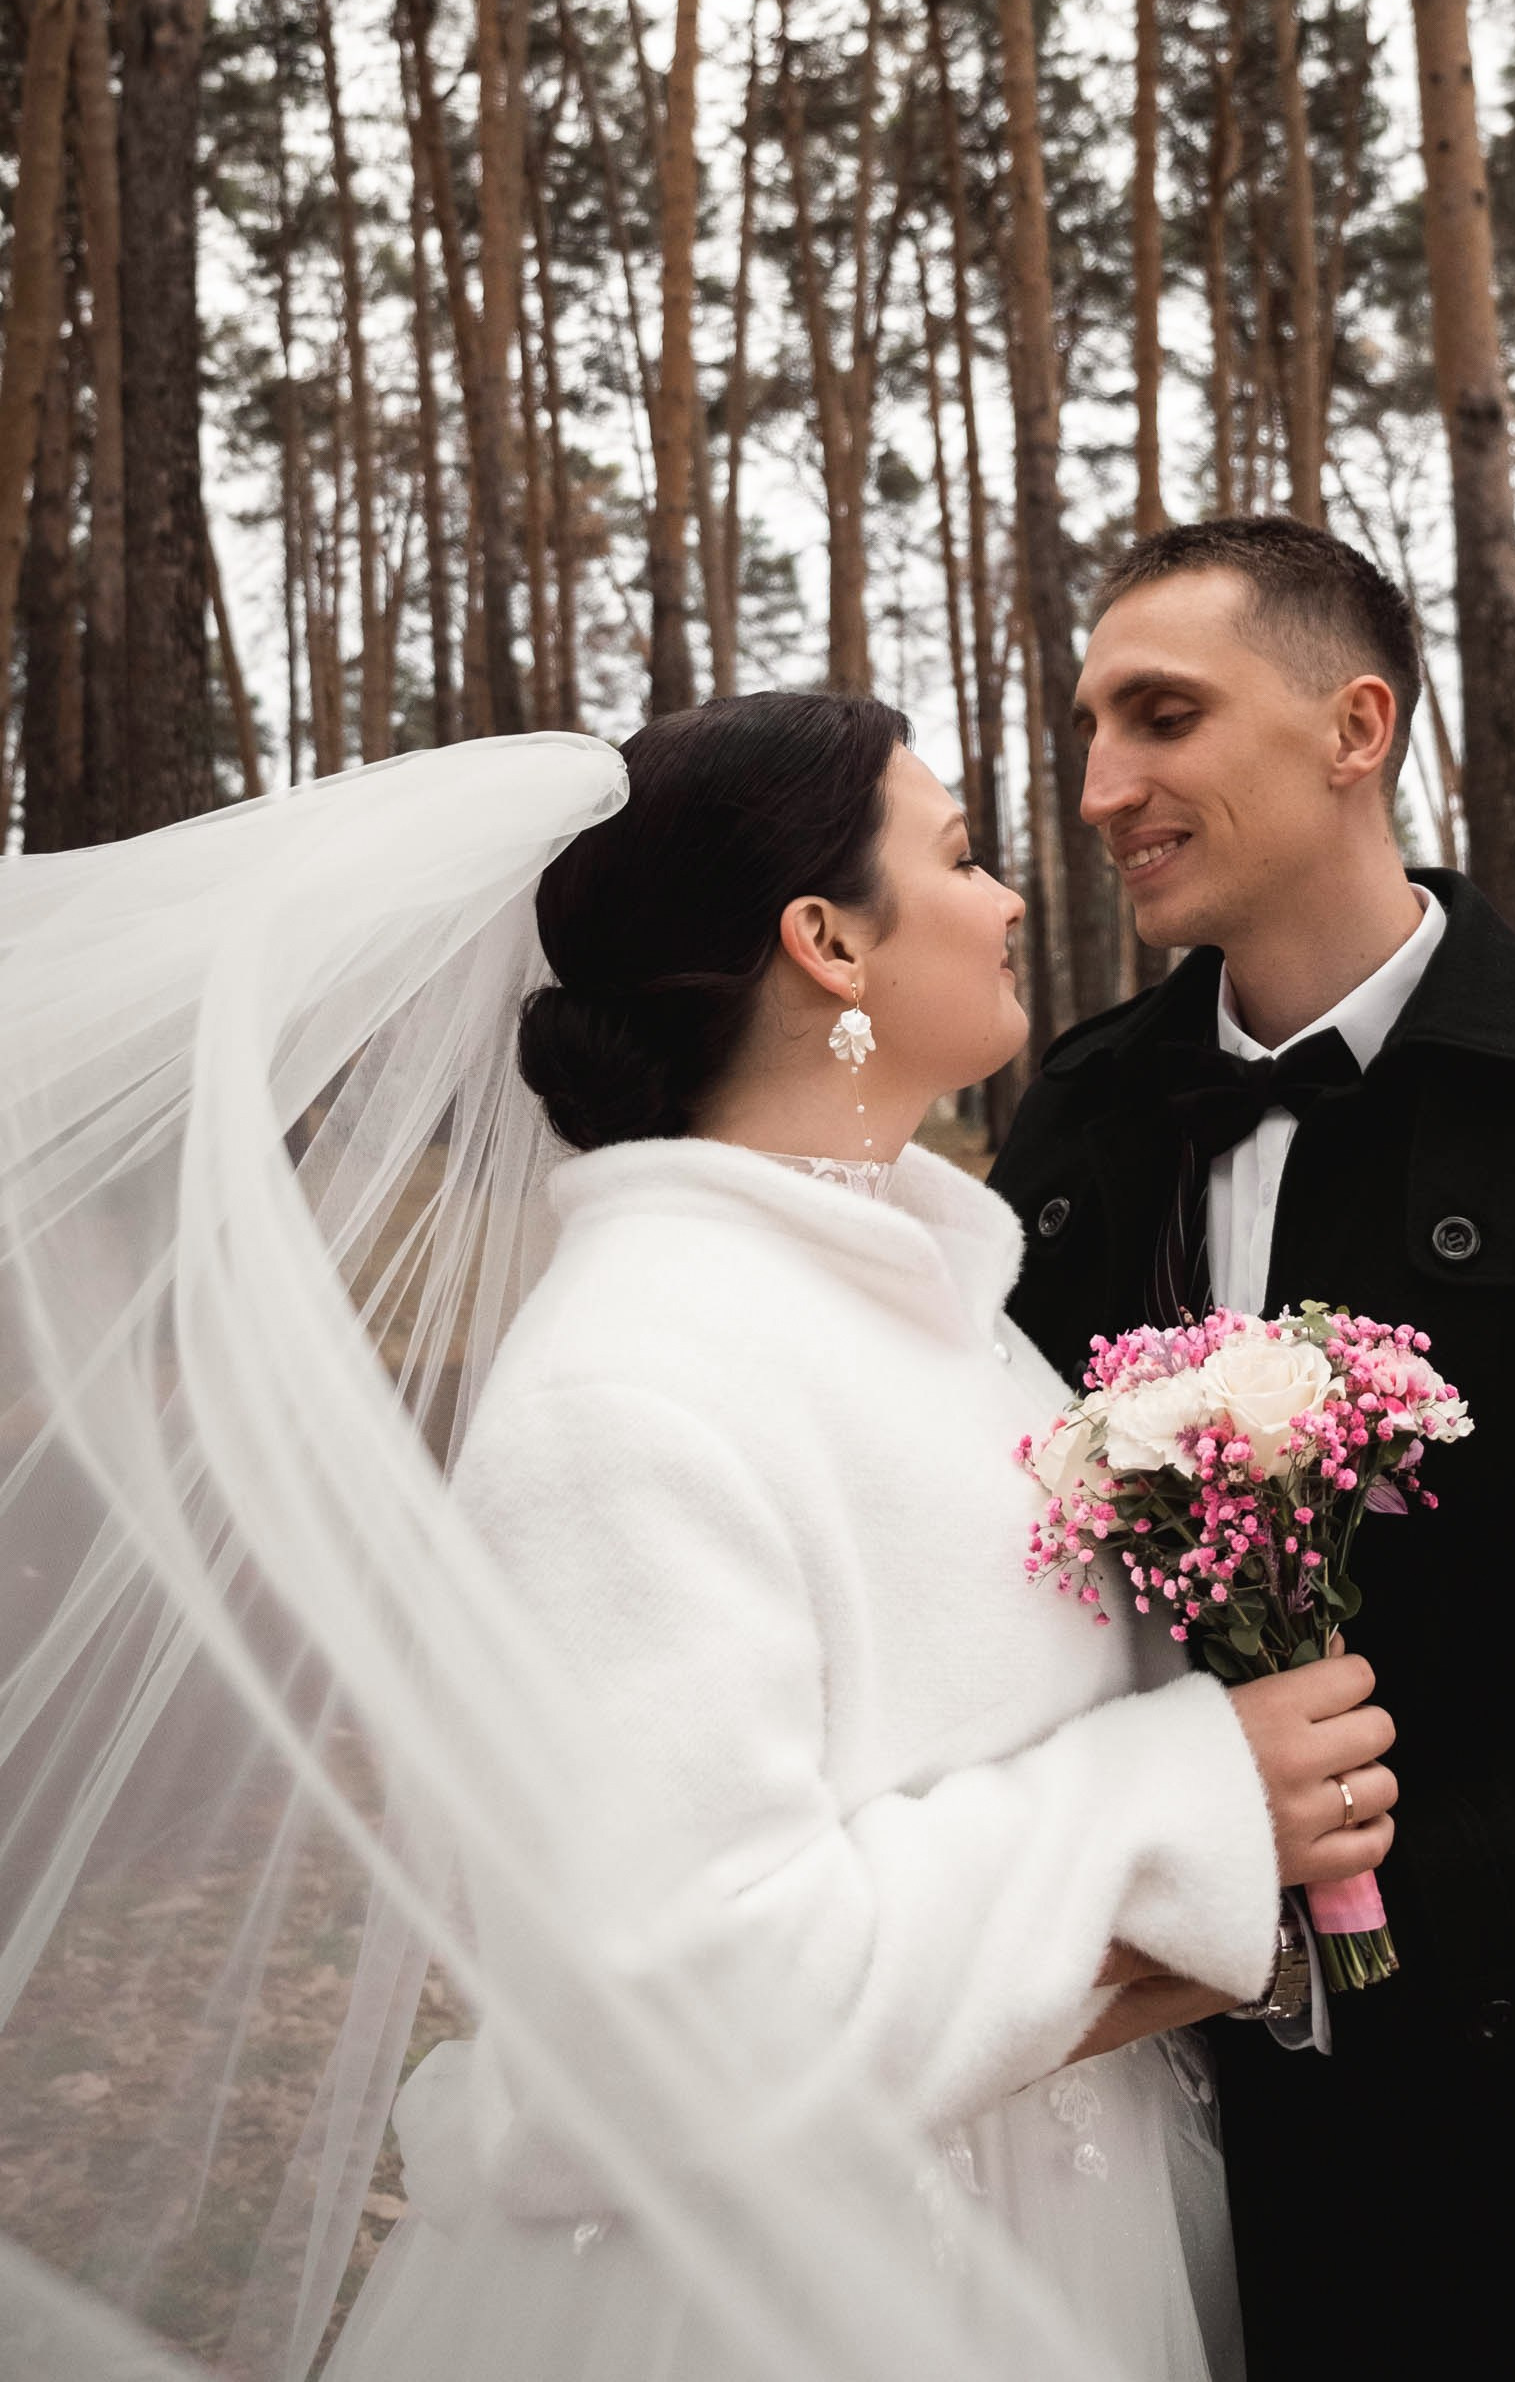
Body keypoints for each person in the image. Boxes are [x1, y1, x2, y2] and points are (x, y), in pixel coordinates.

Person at [0, 703, 1394, 2382]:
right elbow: (675, 2012)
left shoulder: (949, 1312)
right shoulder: (635, 1381)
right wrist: (1191, 1792)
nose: (1012, 896)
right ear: (825, 944)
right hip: (783, 2306)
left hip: (1041, 2227)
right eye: (955, 856)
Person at [990, 515, 1515, 2382]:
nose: (1100, 786)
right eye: (1086, 730)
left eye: (1160, 716)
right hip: (1128, 2159)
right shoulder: (1078, 1125)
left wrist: (1333, 1943)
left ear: (1354, 726)